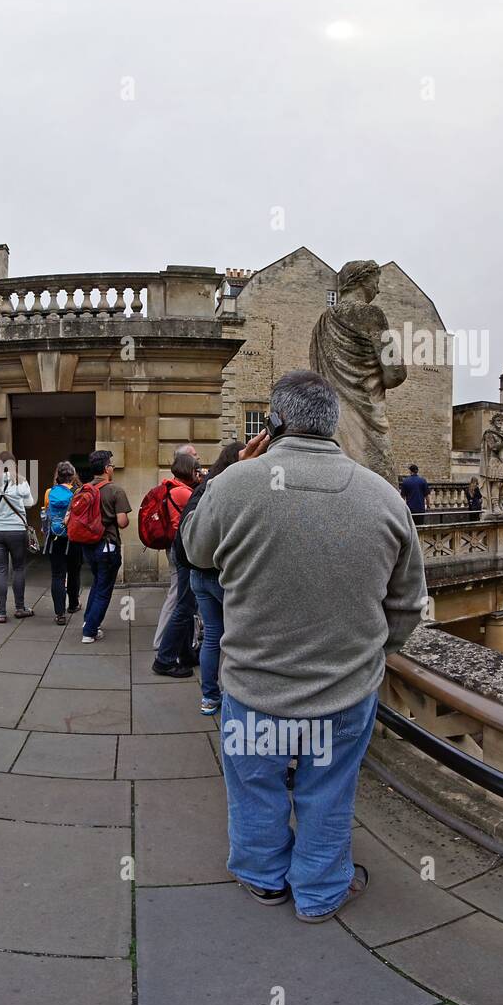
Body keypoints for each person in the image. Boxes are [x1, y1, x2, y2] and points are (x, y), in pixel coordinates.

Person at [185, 370, 429, 923]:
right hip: (342, 689)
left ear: (272, 422)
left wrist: (228, 471)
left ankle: (262, 876)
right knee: (328, 794)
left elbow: (196, 551)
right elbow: (409, 604)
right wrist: (369, 651)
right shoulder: (384, 497)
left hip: (254, 685)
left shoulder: (237, 484)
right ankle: (320, 891)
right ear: (334, 425)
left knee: (254, 787)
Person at [190, 442, 241, 716]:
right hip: (221, 576)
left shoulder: (203, 489)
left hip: (197, 574)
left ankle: (209, 697)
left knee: (212, 637)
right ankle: (235, 697)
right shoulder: (233, 490)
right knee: (238, 637)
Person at [148, 447, 204, 677]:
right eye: (195, 467)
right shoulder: (183, 493)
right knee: (182, 601)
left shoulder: (171, 487)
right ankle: (164, 652)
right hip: (183, 550)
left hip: (175, 548)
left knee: (182, 599)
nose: (199, 469)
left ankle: (183, 650)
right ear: (188, 470)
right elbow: (202, 514)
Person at [73, 450, 132, 643]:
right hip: (108, 545)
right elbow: (122, 522)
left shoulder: (82, 490)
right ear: (107, 468)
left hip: (88, 545)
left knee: (98, 583)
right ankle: (90, 631)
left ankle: (88, 621)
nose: (113, 469)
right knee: (104, 589)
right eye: (112, 466)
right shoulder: (115, 491)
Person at [0, 451, 36, 624]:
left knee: (0, 570)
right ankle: (20, 608)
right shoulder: (21, 481)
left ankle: (1, 612)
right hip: (17, 531)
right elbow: (30, 503)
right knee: (18, 568)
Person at [43, 461, 81, 625]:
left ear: (57, 476)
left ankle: (60, 614)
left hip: (55, 537)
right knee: (74, 572)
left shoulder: (49, 492)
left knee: (57, 575)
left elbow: (46, 513)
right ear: (73, 477)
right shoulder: (78, 492)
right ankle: (73, 605)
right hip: (73, 537)